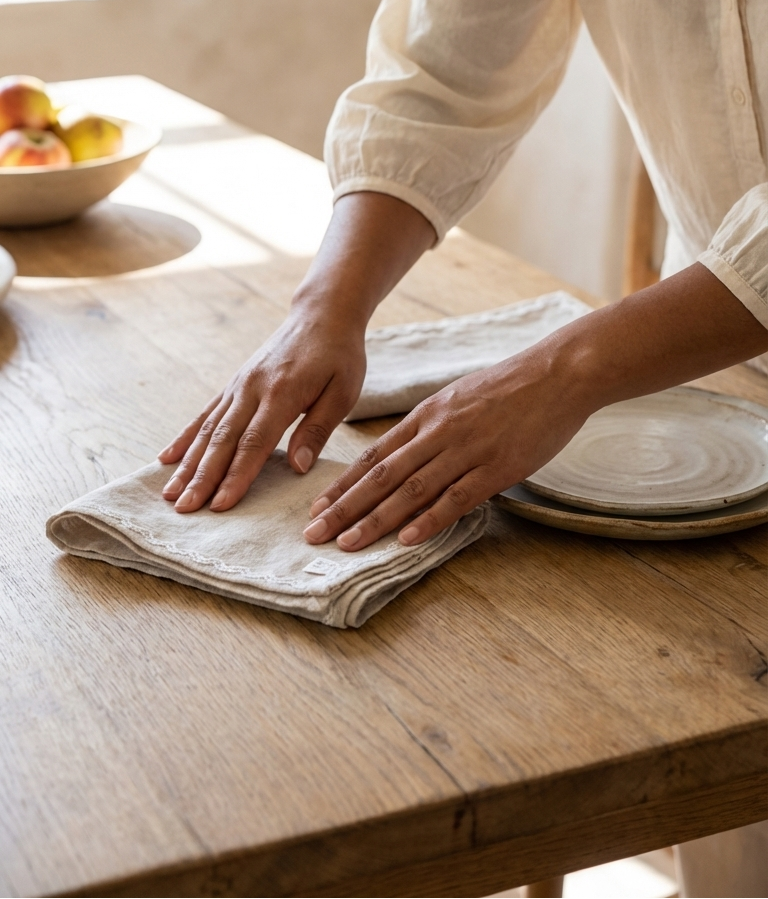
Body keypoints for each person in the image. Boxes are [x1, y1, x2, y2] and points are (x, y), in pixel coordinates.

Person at [158, 3, 766, 895]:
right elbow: (444, 71)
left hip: (689, 329)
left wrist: (564, 371)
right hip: (716, 354)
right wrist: (325, 303)